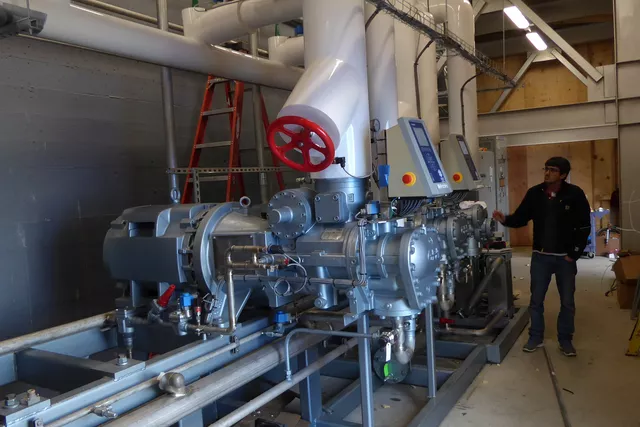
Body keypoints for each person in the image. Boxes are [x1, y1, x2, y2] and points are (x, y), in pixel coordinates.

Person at [493, 157, 590, 357]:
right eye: (546, 169)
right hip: (541, 257)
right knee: (536, 301)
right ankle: (535, 337)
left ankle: (565, 339)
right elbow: (521, 217)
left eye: (553, 170)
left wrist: (574, 254)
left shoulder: (575, 194)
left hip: (565, 259)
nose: (547, 173)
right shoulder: (535, 193)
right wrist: (506, 220)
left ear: (563, 175)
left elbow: (584, 226)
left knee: (567, 302)